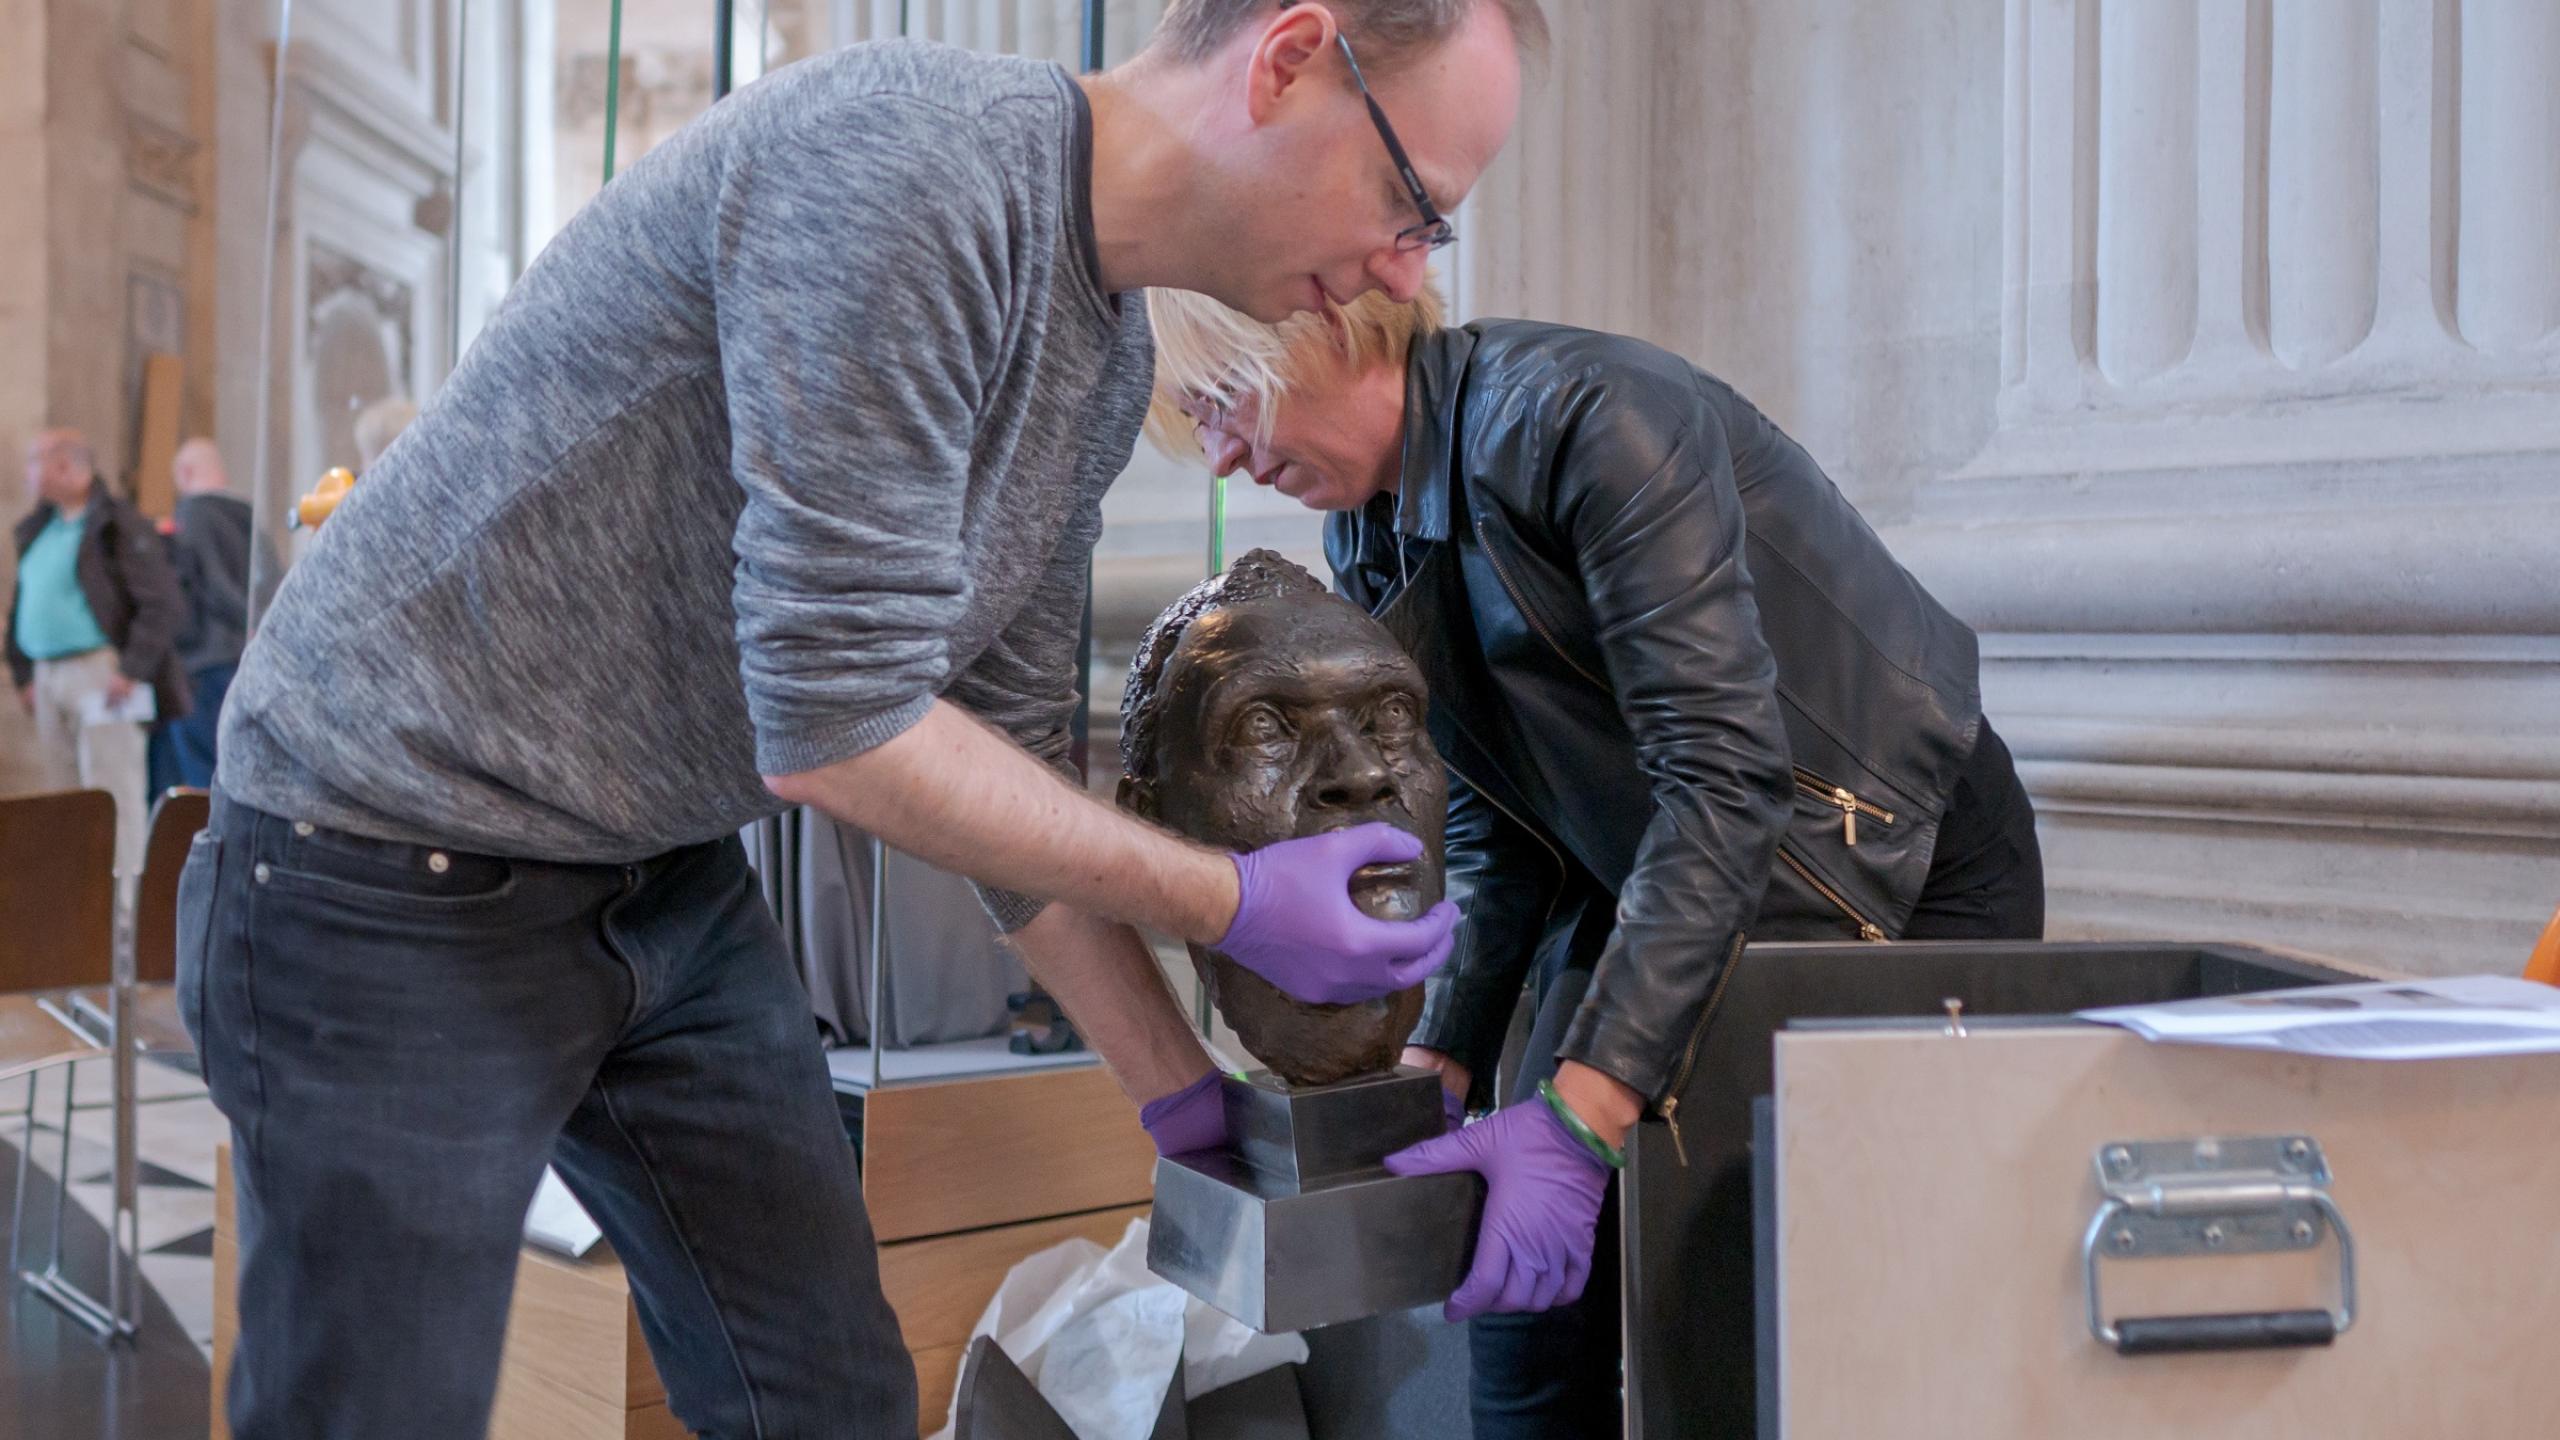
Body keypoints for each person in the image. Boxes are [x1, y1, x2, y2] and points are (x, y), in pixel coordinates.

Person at [183, 4, 1538, 1438]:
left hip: (658, 870)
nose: (1400, 269)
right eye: (1411, 204)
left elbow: (1011, 771)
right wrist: (1232, 900)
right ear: (1286, 62)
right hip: (382, 852)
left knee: (823, 1397)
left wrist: (1187, 1101)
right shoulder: (911, 167)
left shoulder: (1102, 364)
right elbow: (835, 721)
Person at [1149, 279, 2045, 1438]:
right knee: (1527, 1319)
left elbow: (1727, 779)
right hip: (1666, 872)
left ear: (1321, 327)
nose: (1222, 456)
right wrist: (1442, 1062)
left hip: (1894, 870)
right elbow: (1494, 827)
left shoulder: (1587, 418)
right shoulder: (1366, 532)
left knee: (1762, 1313)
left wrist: (1579, 1121)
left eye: (1222, 400)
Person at [9, 428, 190, 880]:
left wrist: (132, 668)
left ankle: (121, 926)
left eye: (37, 461)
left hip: (100, 674)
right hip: (49, 675)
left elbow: (161, 602)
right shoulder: (40, 530)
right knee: (65, 804)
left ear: (67, 466)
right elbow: (23, 605)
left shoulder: (116, 525)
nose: (28, 473)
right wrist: (23, 674)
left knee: (114, 799)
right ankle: (80, 919)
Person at [149, 438, 267, 791]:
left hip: (204, 663)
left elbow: (210, 583)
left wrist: (247, 621)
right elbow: (270, 580)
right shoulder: (247, 515)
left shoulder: (190, 515)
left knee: (204, 778)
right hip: (244, 658)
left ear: (184, 473)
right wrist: (259, 627)